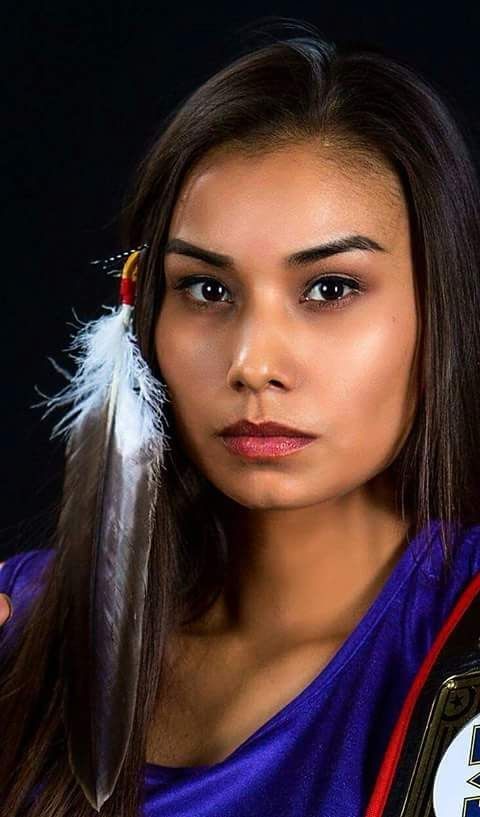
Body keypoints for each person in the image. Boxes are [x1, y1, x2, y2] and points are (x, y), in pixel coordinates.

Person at [1, 18, 480, 817]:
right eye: (206, 289)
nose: (253, 362)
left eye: (329, 287)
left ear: (443, 307)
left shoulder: (458, 635)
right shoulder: (32, 623)